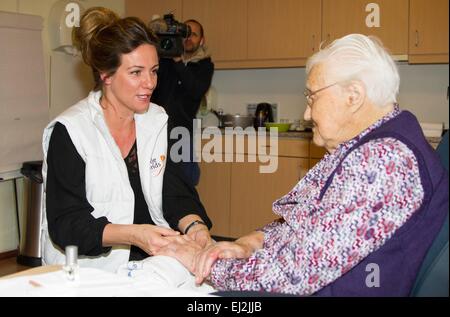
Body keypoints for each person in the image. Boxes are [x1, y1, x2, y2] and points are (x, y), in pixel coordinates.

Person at [156, 34, 449, 296]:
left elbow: (296, 273)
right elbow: (307, 222)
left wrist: (200, 261)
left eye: (312, 96)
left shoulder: (383, 161)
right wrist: (253, 242)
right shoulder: (372, 145)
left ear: (354, 96)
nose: (307, 114)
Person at [41, 7, 212, 273]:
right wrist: (134, 234)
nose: (150, 83)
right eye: (136, 72)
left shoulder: (157, 121)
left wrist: (196, 228)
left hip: (150, 265)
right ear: (105, 75)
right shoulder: (71, 130)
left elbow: (175, 191)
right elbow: (67, 224)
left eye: (154, 71)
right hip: (88, 271)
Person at [151, 19, 214, 186]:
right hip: (157, 128)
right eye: (185, 34)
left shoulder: (205, 65)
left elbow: (195, 91)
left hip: (182, 130)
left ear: (202, 40)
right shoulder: (164, 61)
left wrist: (179, 62)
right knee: (158, 177)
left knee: (187, 178)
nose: (188, 38)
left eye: (194, 34)